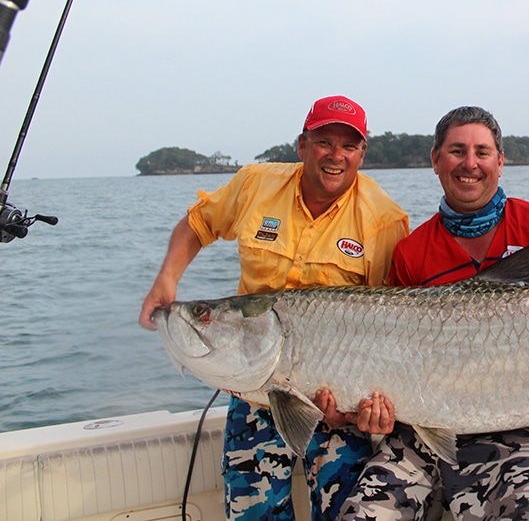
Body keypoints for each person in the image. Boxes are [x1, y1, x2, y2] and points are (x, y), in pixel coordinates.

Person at [138, 95, 410, 521]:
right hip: (256, 389)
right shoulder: (255, 184)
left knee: (352, 512)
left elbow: (389, 325)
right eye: (324, 142)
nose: (336, 156)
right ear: (302, 145)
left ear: (362, 153)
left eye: (349, 145)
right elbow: (199, 223)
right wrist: (167, 279)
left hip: (336, 402)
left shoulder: (384, 219)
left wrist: (357, 409)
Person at [339, 105, 529, 521]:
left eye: (482, 152)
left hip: (519, 425)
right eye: (456, 151)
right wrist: (373, 410)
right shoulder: (412, 251)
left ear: (500, 162)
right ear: (436, 160)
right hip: (420, 429)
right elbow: (391, 353)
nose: (469, 164)